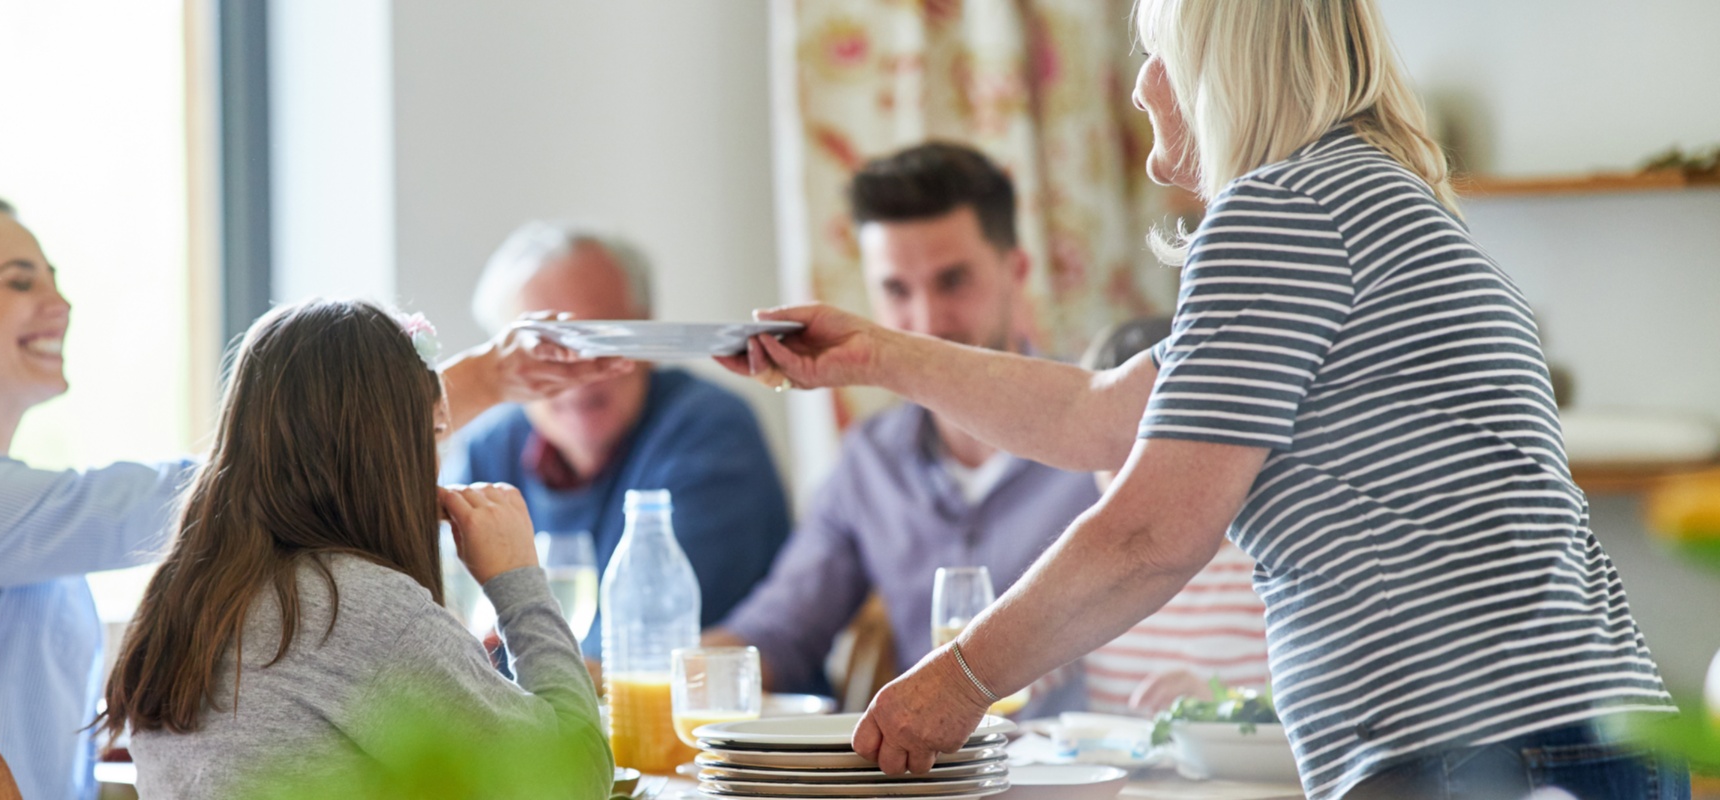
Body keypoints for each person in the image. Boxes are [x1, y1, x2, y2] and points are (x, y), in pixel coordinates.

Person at [722, 0, 1685, 797]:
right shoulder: (1360, 203)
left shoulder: (1278, 214)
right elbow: (1099, 415)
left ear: (1217, 66)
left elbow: (1151, 535)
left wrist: (960, 678)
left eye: (1155, 50)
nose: (1139, 83)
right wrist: (874, 355)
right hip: (1569, 732)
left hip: (1481, 741)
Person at [0, 195, 627, 800]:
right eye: (18, 279)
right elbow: (240, 476)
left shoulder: (172, 585)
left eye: (55, 276)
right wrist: (446, 392)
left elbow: (243, 480)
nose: (59, 301)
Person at [104, 300, 609, 800]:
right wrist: (517, 581)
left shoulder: (180, 599)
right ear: (385, 455)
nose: (435, 462)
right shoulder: (356, 608)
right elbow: (573, 780)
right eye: (432, 434)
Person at [702, 143, 1103, 713]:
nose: (927, 323)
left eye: (953, 281)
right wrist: (635, 678)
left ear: (1016, 270)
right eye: (896, 290)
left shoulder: (1107, 431)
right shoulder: (870, 460)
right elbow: (781, 629)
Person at [446, 222, 790, 655]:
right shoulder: (487, 450)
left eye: (604, 338)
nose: (579, 372)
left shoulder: (710, 431)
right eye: (547, 349)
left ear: (648, 335)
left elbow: (643, 640)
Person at [1073, 318, 1268, 716]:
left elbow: (1309, 717)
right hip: (1112, 779)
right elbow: (1018, 676)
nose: (1120, 470)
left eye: (1140, 443)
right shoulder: (1090, 575)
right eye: (1105, 446)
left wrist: (1220, 706)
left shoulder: (1261, 569)